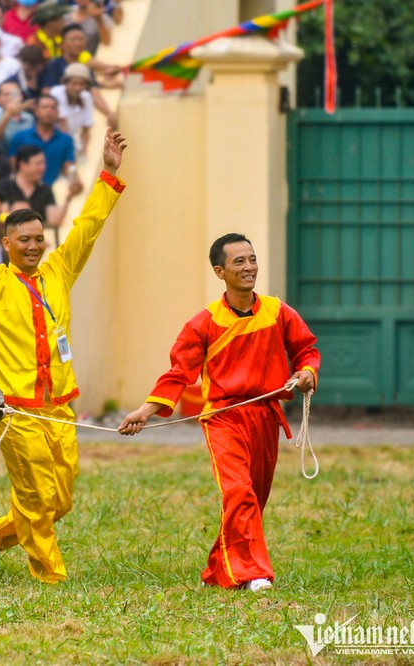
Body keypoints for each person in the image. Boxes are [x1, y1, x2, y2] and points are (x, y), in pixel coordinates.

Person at [0, 128, 127, 584]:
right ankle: (51, 577)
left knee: (60, 501)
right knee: (35, 500)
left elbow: (86, 230)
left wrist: (108, 175)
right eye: (23, 240)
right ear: (8, 245)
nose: (33, 246)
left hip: (62, 408)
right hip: (16, 411)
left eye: (38, 238)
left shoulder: (59, 271)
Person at [119, 233, 320, 593]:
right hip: (224, 418)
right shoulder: (204, 322)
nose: (249, 267)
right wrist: (145, 411)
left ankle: (218, 571)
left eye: (252, 259)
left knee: (254, 499)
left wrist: (307, 372)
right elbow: (179, 373)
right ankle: (253, 573)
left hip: (265, 415)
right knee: (238, 492)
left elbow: (306, 348)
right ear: (220, 271)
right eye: (239, 262)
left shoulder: (277, 311)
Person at [9, 95, 78, 193]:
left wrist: (75, 181)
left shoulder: (66, 139)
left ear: (57, 113)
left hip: (53, 193)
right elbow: (14, 168)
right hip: (22, 192)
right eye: (45, 107)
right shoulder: (20, 137)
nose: (49, 111)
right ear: (36, 112)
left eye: (53, 107)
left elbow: (68, 168)